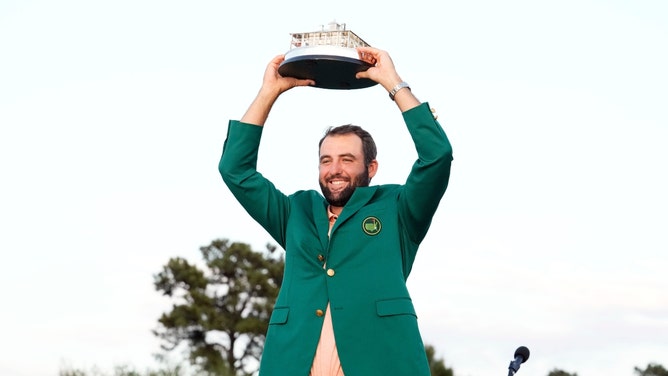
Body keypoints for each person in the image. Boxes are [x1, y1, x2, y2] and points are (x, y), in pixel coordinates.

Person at [219, 46, 453, 376]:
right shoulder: (295, 212)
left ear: (371, 168)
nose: (335, 169)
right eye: (326, 160)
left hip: (380, 364)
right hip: (293, 364)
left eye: (347, 159)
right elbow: (235, 170)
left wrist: (394, 84)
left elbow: (437, 156)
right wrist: (268, 92)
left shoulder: (399, 208)